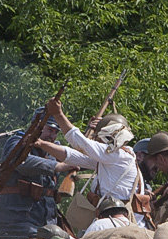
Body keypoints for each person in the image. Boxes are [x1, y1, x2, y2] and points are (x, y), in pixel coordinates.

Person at [39, 96, 147, 226]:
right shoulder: (114, 157)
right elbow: (72, 156)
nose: (96, 139)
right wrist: (41, 144)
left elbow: (80, 142)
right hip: (111, 215)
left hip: (115, 219)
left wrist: (58, 114)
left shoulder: (117, 155)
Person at [0, 109, 74, 237]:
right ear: (37, 127)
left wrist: (89, 138)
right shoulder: (17, 142)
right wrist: (57, 166)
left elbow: (77, 159)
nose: (52, 136)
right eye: (50, 130)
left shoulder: (52, 150)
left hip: (45, 220)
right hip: (16, 219)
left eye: (56, 132)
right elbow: (21, 162)